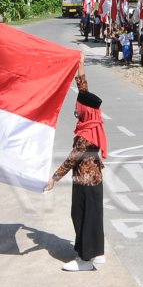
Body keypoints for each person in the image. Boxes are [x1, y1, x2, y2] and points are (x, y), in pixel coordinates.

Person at [45, 68, 106, 271]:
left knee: (82, 217)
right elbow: (85, 95)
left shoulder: (85, 135)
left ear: (84, 110)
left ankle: (85, 260)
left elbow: (72, 159)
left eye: (77, 107)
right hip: (95, 180)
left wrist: (54, 178)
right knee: (94, 217)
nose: (76, 110)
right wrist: (81, 69)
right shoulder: (93, 121)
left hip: (84, 182)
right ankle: (98, 253)